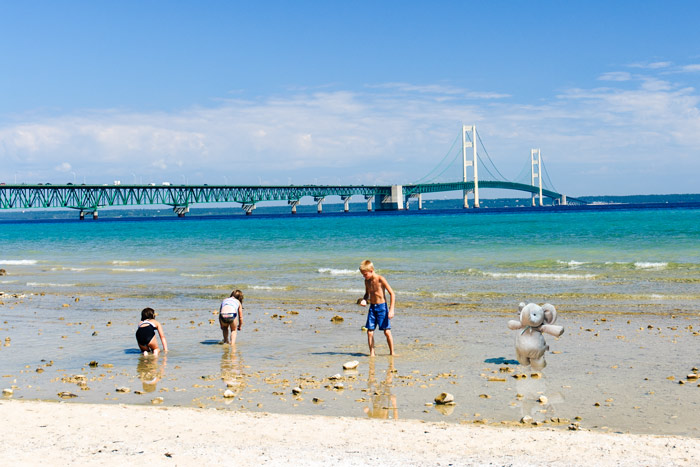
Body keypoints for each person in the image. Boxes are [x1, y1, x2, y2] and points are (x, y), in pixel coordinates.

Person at [358, 260, 395, 356]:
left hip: (382, 307)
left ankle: (392, 352)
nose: (364, 276)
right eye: (362, 274)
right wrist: (364, 300)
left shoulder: (380, 279)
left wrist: (391, 310)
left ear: (371, 270)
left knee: (387, 332)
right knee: (370, 332)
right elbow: (367, 294)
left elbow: (392, 294)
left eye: (365, 274)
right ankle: (372, 353)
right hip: (372, 308)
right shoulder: (366, 281)